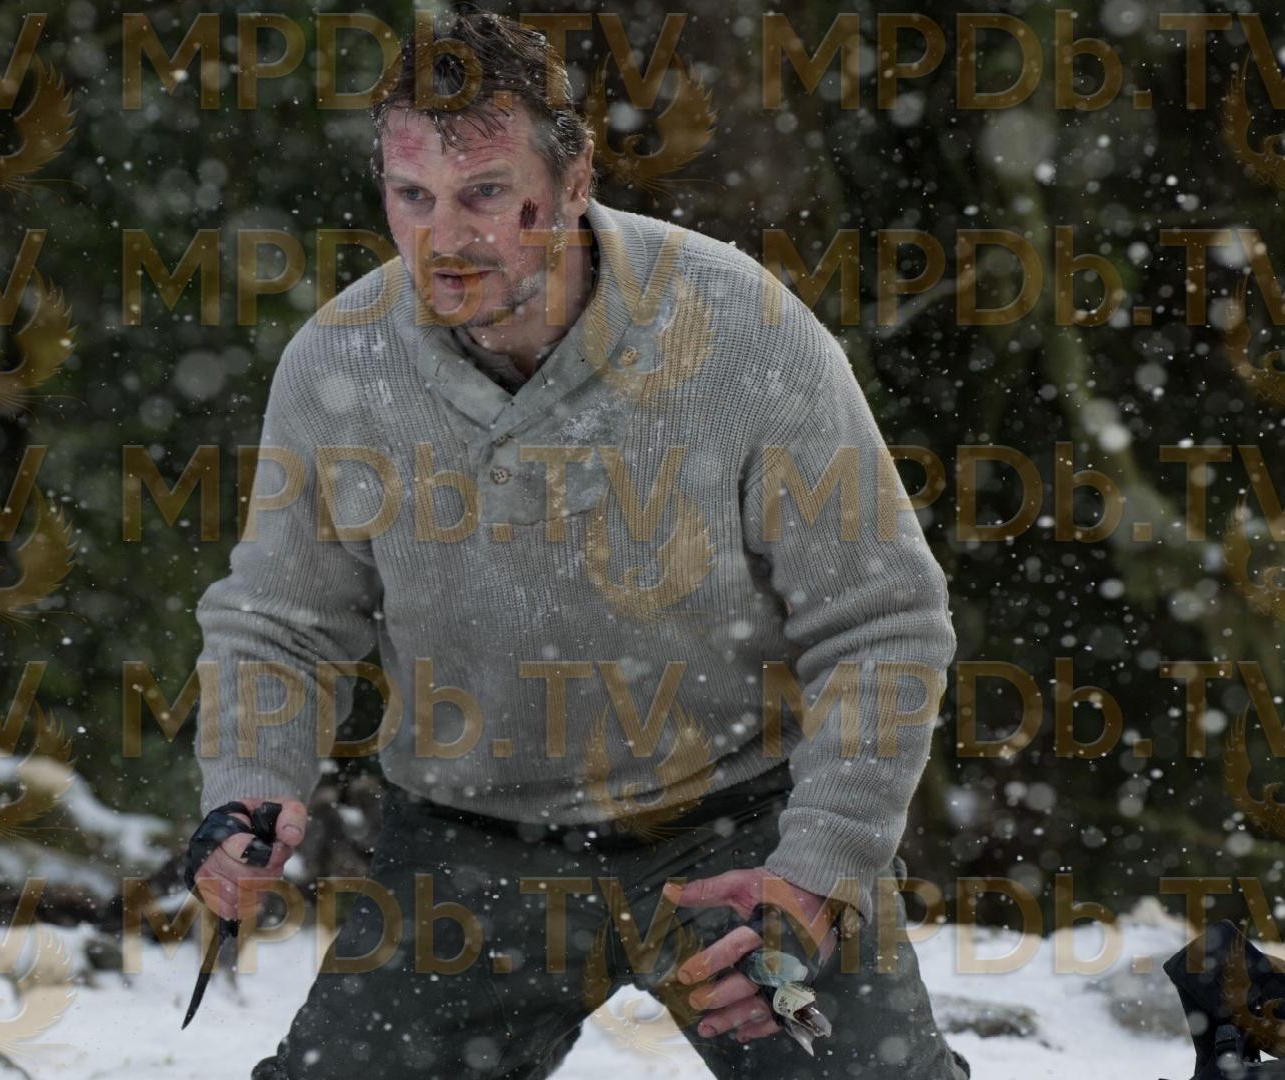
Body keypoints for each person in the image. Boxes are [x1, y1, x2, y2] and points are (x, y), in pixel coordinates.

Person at [187, 10, 969, 1078]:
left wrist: (820, 872)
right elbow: (280, 623)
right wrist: (250, 781)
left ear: (574, 179)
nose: (443, 239)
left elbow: (884, 621)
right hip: (464, 846)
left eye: (484, 194)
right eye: (411, 196)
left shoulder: (742, 331)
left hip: (737, 829)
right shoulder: (340, 364)